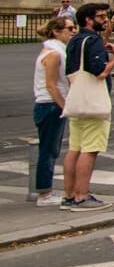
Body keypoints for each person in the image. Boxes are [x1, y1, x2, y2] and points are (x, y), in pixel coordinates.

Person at [62, 3, 114, 211]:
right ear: (88, 19)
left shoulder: (74, 40)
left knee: (74, 148)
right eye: (101, 17)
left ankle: (69, 195)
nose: (105, 20)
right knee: (90, 149)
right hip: (93, 103)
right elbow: (100, 72)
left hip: (77, 100)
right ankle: (82, 196)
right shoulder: (93, 40)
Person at [29, 16, 76, 207]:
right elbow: (51, 85)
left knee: (49, 149)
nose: (73, 31)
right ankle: (44, 193)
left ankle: (45, 189)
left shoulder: (53, 50)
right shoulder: (54, 54)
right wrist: (64, 106)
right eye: (70, 28)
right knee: (48, 150)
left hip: (49, 105)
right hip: (50, 105)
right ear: (56, 32)